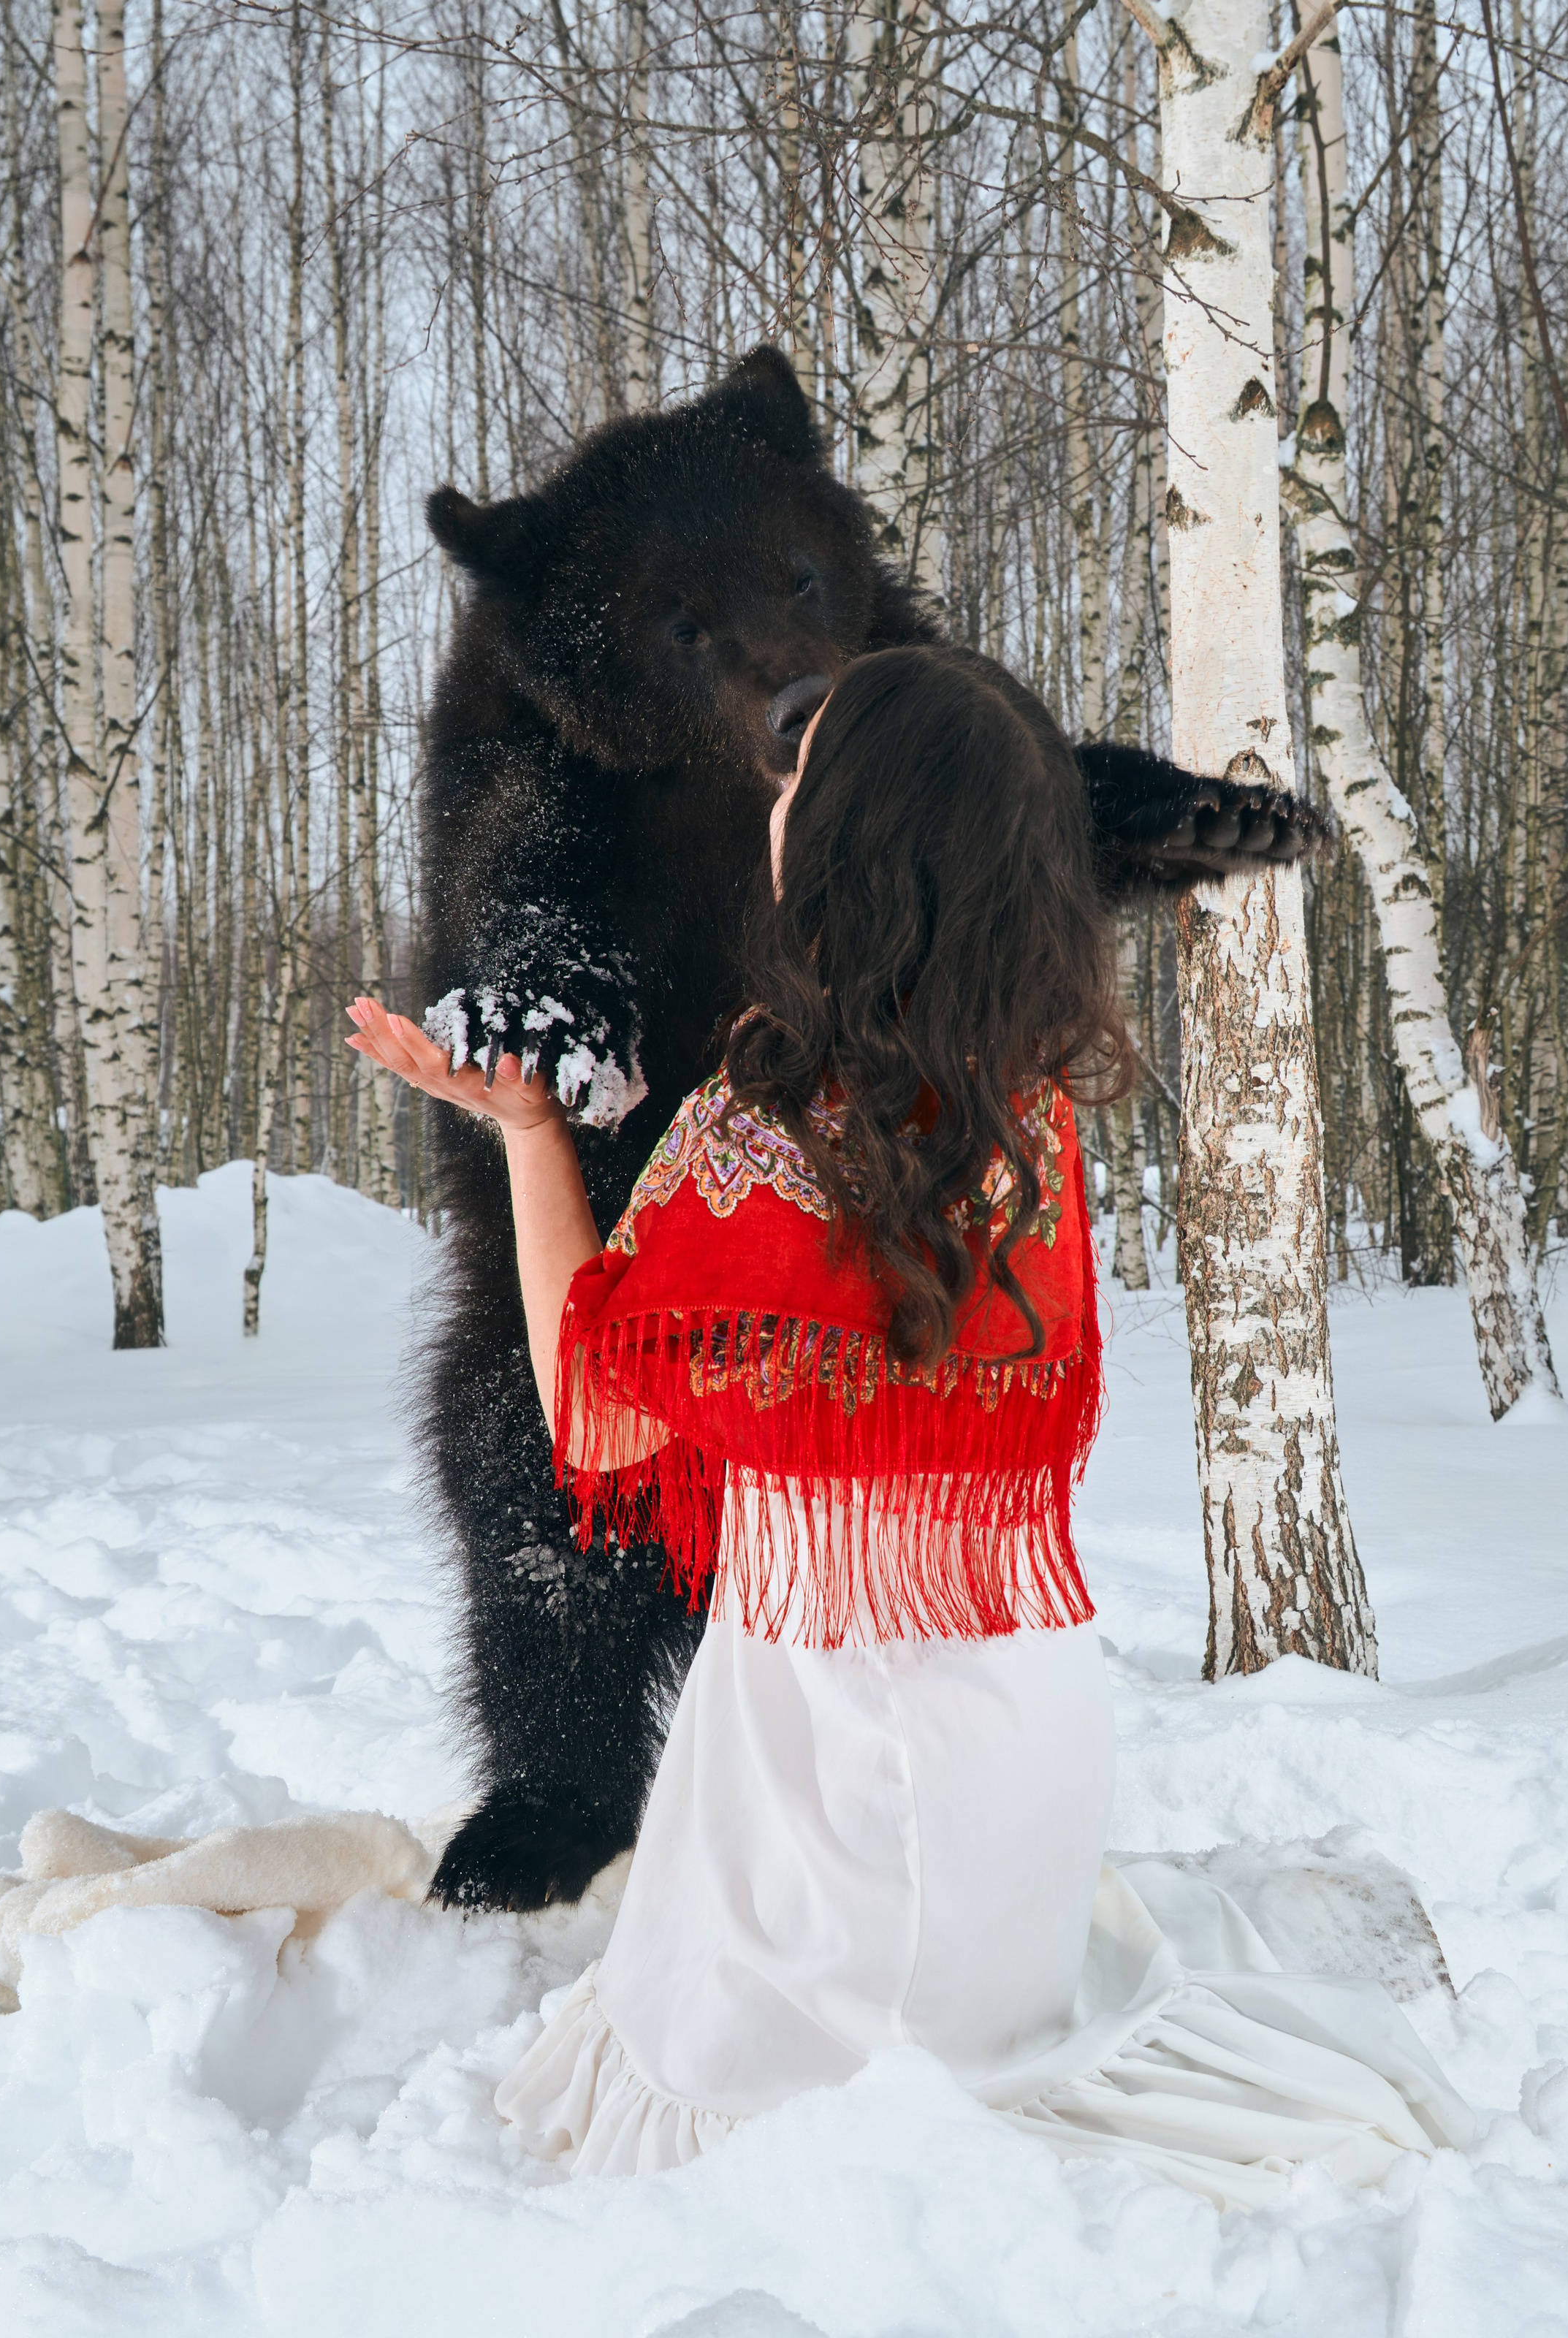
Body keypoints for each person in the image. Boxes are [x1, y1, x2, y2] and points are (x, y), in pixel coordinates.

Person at [349, 642, 1471, 2205]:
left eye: (801, 775)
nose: (774, 790)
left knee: (746, 2082)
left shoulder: (759, 1135)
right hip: (1016, 1739)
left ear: (854, 839)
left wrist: (531, 1133)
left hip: (825, 1761)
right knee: (942, 2034)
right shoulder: (1025, 1113)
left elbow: (596, 1427)